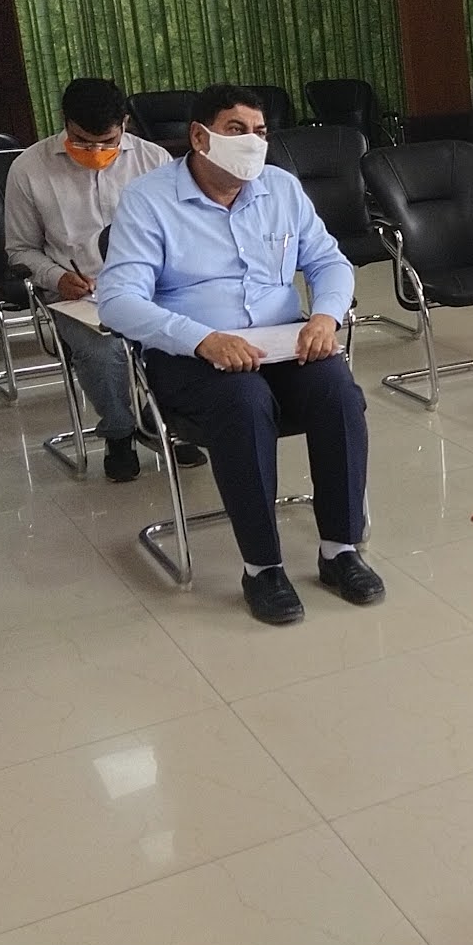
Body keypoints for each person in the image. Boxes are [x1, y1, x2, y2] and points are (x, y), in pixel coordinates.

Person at [98, 84, 381, 625]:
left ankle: (340, 551)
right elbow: (117, 301)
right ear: (199, 137)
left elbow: (329, 262)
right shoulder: (149, 199)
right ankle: (262, 568)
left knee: (339, 393)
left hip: (282, 340)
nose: (252, 141)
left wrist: (325, 316)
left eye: (260, 131)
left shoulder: (281, 188)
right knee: (245, 404)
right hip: (192, 354)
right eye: (236, 130)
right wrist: (202, 339)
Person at [5, 78, 203, 482]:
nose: (95, 152)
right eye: (82, 141)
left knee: (197, 328)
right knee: (104, 350)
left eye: (107, 142)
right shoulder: (29, 168)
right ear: (65, 122)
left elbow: (182, 233)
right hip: (77, 292)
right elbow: (20, 250)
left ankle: (166, 418)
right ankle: (119, 432)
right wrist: (57, 277)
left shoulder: (154, 160)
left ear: (125, 124)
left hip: (151, 285)